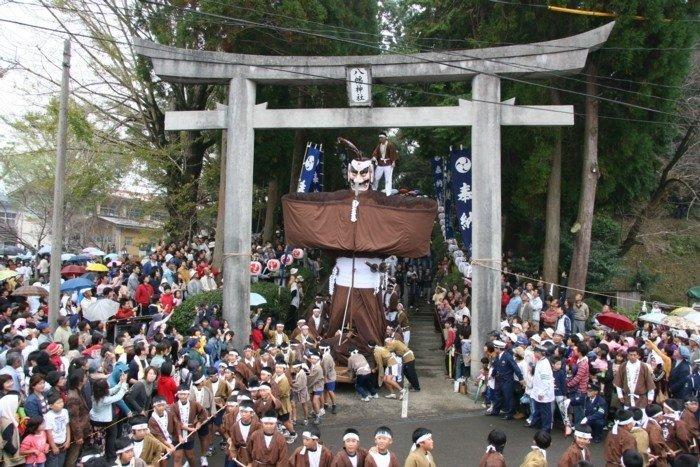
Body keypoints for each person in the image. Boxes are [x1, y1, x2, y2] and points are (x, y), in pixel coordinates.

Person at [90, 374, 129, 462]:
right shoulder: (104, 400)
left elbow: (111, 391)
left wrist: (120, 382)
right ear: (103, 390)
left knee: (102, 440)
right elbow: (118, 396)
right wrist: (124, 384)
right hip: (102, 422)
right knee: (106, 440)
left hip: (96, 420)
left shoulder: (96, 394)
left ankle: (104, 456)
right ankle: (106, 458)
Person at [171, 384, 207, 467]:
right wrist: (184, 432)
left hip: (190, 436)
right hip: (176, 435)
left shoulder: (194, 404)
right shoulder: (173, 407)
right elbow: (175, 421)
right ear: (177, 395)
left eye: (184, 394)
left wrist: (199, 422)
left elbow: (203, 412)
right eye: (180, 394)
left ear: (188, 394)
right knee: (177, 457)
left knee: (190, 456)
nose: (182, 396)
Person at [488, 340, 523, 420]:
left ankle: (509, 414)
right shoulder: (498, 356)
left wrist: (521, 378)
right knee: (498, 396)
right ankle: (495, 411)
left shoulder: (508, 357)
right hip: (499, 379)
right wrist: (492, 375)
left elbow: (515, 368)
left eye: (495, 348)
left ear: (498, 349)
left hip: (507, 380)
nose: (494, 349)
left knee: (508, 397)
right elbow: (496, 366)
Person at [222, 400, 259, 467]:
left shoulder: (258, 426)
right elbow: (233, 443)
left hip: (254, 455)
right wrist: (233, 454)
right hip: (240, 454)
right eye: (241, 412)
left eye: (246, 412)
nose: (243, 414)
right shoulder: (235, 427)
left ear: (252, 413)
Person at [529, 345, 554, 432]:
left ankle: (546, 428)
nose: (534, 353)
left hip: (544, 392)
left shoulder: (544, 364)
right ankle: (537, 424)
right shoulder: (540, 361)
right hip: (538, 390)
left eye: (535, 352)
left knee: (545, 411)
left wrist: (542, 393)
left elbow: (546, 381)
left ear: (540, 353)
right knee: (539, 409)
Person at [44, 392, 70, 467]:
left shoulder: (65, 411)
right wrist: (53, 446)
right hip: (55, 444)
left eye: (61, 402)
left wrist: (68, 440)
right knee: (53, 464)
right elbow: (49, 432)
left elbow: (67, 426)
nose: (61, 404)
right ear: (51, 406)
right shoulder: (48, 416)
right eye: (58, 403)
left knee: (61, 463)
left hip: (63, 442)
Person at [320, 345, 338, 415]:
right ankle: (325, 403)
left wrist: (324, 378)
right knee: (326, 390)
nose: (320, 351)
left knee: (330, 391)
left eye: (321, 350)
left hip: (329, 377)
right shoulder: (326, 355)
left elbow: (325, 370)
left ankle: (334, 405)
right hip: (329, 375)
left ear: (324, 350)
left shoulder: (326, 357)